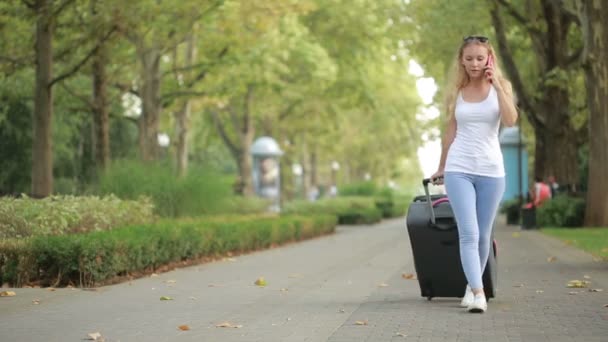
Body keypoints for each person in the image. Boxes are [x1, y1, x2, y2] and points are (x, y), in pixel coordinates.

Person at [430, 35, 518, 313]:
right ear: (461, 60)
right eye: (469, 58)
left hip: (492, 171)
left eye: (480, 58)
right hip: (460, 168)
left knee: (482, 235)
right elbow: (450, 132)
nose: (474, 64)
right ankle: (479, 293)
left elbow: (511, 119)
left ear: (489, 58)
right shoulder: (457, 91)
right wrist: (442, 166)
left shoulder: (501, 87)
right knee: (468, 233)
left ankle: (471, 286)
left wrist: (497, 86)